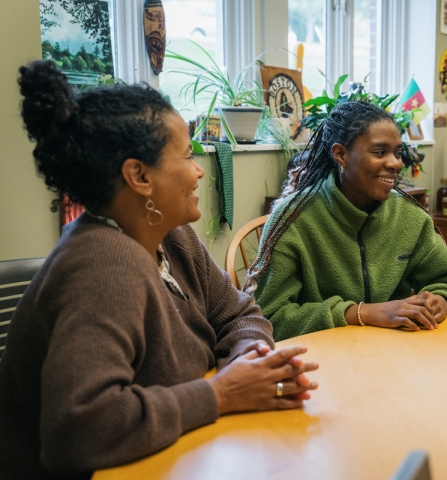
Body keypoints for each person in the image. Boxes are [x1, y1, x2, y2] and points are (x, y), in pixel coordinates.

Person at [0, 61, 319, 479]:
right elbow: (79, 431)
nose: (199, 169)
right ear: (139, 176)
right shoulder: (102, 264)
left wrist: (250, 360)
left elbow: (239, 314)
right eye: (187, 155)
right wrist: (220, 394)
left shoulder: (170, 236)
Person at [248, 101, 447, 341]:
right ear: (340, 154)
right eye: (380, 152)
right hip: (319, 359)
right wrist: (359, 313)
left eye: (398, 153)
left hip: (396, 354)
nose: (395, 164)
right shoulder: (291, 220)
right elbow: (270, 318)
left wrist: (441, 300)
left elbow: (445, 280)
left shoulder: (409, 216)